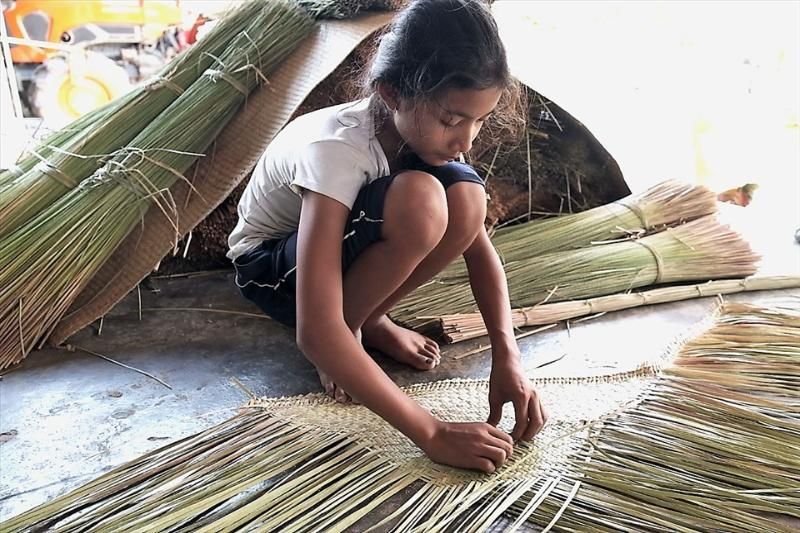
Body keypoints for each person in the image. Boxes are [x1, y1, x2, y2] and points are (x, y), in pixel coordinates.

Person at [228, 0, 547, 473]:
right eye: (452, 120)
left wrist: (509, 357)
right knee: (419, 202)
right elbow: (312, 331)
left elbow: (481, 252)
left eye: (479, 120)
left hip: (334, 258)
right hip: (273, 269)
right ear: (392, 94)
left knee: (467, 202)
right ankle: (348, 339)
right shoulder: (335, 149)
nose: (467, 141)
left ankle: (366, 320)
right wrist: (432, 432)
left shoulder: (417, 135)